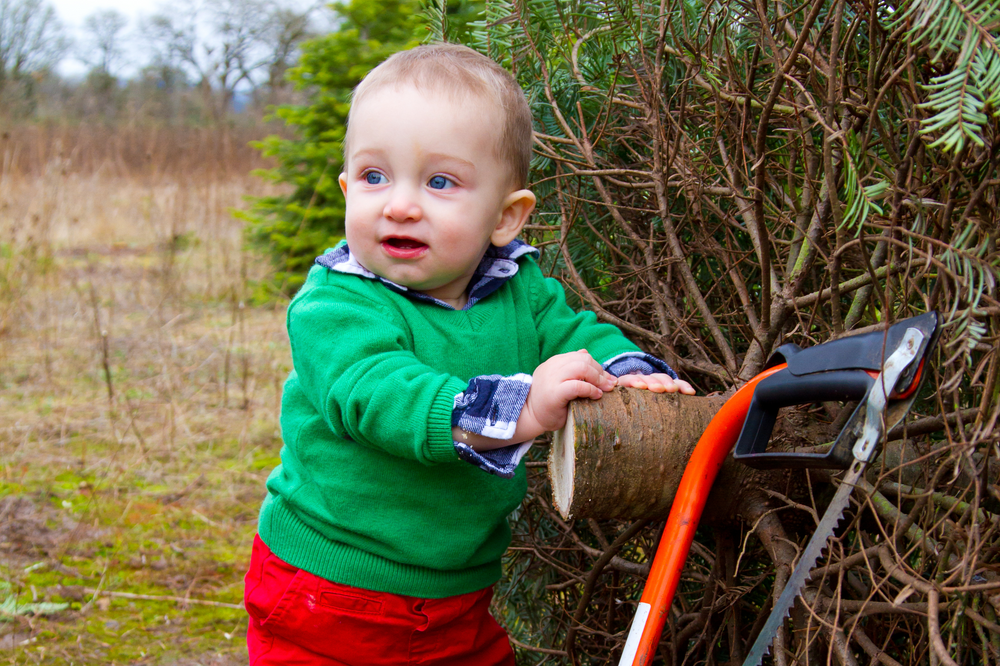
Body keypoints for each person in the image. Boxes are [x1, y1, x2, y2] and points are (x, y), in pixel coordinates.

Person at [243, 43, 695, 666]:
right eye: (374, 177)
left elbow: (578, 335)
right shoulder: (335, 307)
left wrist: (633, 376)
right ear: (347, 188)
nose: (399, 203)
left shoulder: (519, 289)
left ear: (506, 216)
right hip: (334, 592)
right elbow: (381, 397)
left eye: (439, 181)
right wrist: (521, 408)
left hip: (459, 594)